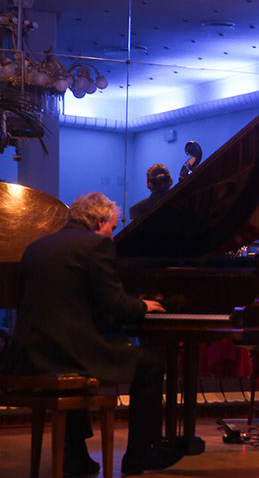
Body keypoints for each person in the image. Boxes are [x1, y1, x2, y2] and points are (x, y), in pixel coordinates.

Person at [5, 192, 183, 475]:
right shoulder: (96, 245)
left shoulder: (36, 247)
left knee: (78, 357)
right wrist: (143, 305)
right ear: (100, 221)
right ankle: (140, 454)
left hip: (28, 354)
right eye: (112, 227)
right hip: (67, 352)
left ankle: (76, 455)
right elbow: (115, 304)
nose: (112, 235)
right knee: (150, 363)